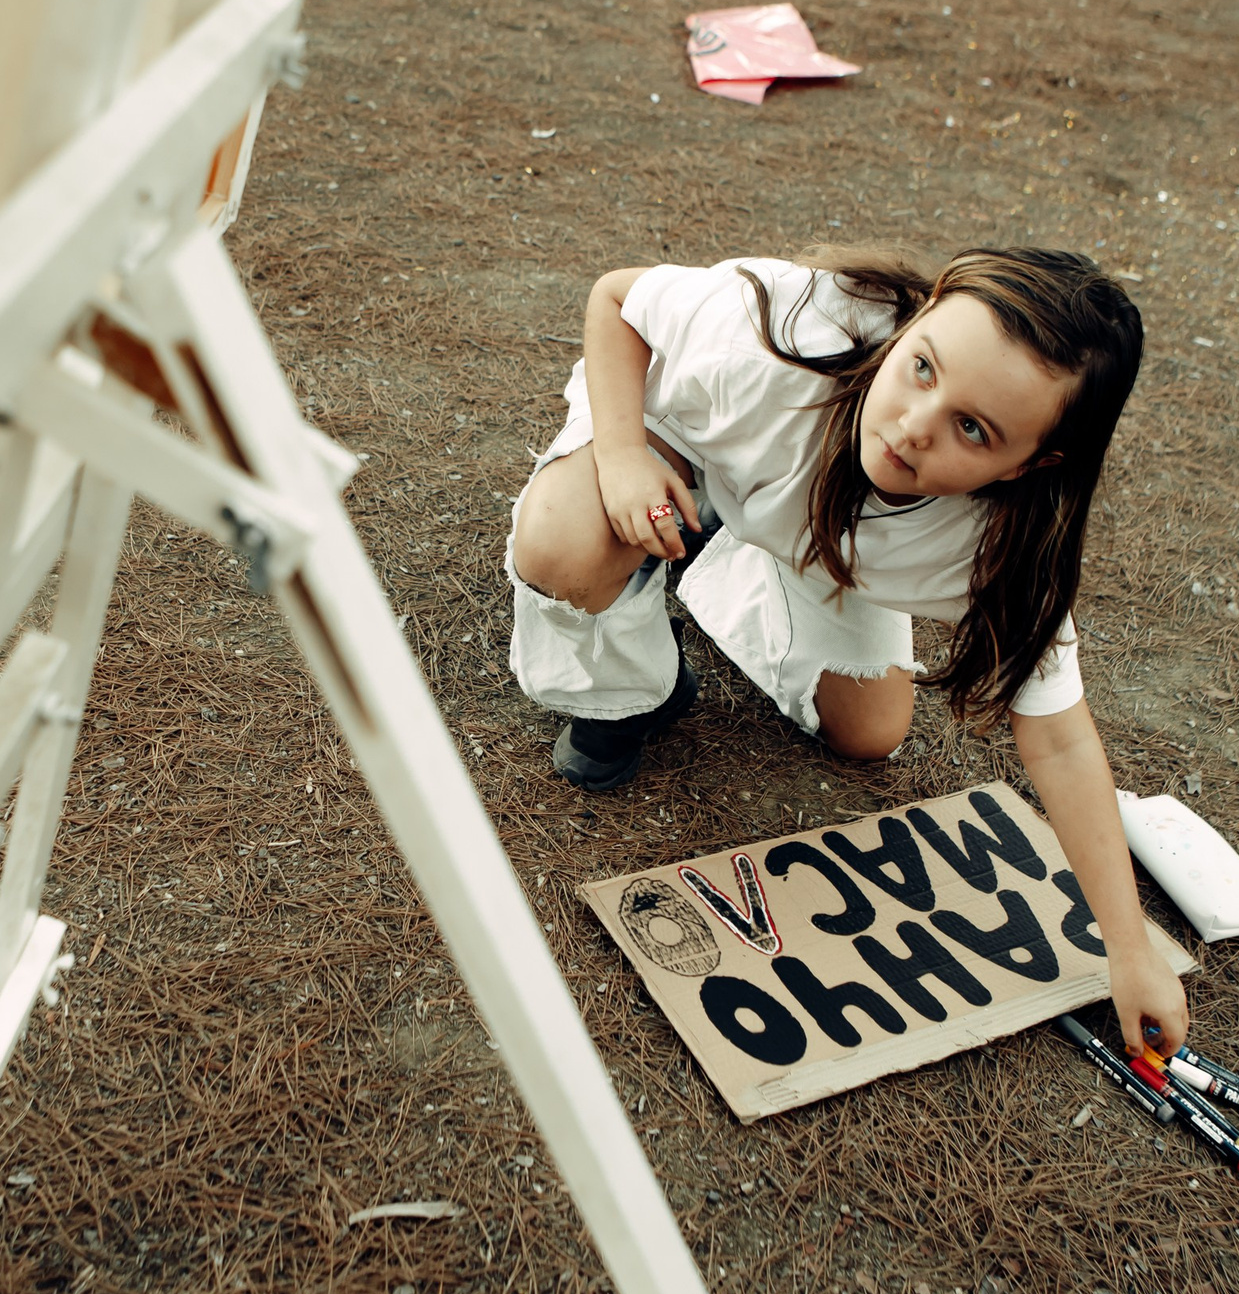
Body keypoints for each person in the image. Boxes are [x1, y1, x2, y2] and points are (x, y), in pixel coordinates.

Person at [504, 246, 1188, 1056]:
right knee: (564, 544)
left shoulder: (1007, 554)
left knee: (869, 732)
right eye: (923, 367)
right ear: (920, 316)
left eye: (973, 429)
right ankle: (632, 690)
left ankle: (719, 544)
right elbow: (618, 299)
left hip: (820, 529)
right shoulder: (786, 332)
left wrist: (1129, 951)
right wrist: (621, 456)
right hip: (681, 434)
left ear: (1032, 465)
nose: (914, 426)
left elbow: (1061, 739)